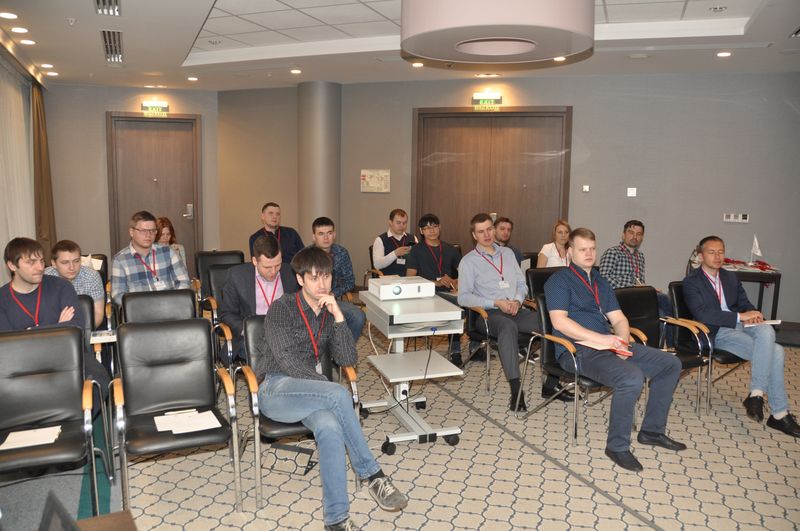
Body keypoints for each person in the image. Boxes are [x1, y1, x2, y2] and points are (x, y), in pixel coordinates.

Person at [254, 246, 408, 530]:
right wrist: (326, 388)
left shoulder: (327, 313)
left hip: (311, 395)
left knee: (330, 427)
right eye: (314, 278)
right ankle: (373, 475)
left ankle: (336, 520)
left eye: (325, 276)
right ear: (300, 279)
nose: (322, 284)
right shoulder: (281, 308)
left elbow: (348, 359)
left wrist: (338, 316)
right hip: (276, 389)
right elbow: (287, 361)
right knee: (338, 393)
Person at [544, 228, 685, 472]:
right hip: (577, 351)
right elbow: (560, 322)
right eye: (582, 249)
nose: (589, 254)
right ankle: (617, 447)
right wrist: (602, 340)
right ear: (570, 252)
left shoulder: (600, 281)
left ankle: (651, 431)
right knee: (631, 377)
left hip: (608, 344)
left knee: (670, 364)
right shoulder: (559, 280)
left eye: (592, 248)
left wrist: (621, 342)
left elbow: (619, 318)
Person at [683, 236, 799, 437]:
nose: (717, 256)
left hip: (741, 325)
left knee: (766, 330)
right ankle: (779, 414)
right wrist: (739, 316)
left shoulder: (730, 277)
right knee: (777, 351)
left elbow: (744, 303)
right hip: (715, 330)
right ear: (701, 256)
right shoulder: (691, 282)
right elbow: (702, 314)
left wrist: (753, 314)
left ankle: (756, 394)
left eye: (721, 252)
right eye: (712, 252)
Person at [458, 213, 567, 411]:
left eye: (489, 229)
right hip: (489, 315)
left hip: (516, 310)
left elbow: (521, 284)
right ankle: (516, 390)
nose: (486, 235)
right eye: (481, 232)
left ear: (494, 229)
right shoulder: (468, 261)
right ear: (474, 235)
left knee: (552, 322)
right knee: (507, 327)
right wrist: (495, 302)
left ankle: (551, 383)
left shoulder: (507, 254)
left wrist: (517, 300)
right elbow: (463, 297)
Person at [1, 237, 110, 398]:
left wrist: (29, 332)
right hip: (22, 366)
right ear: (12, 265)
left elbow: (76, 328)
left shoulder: (61, 286)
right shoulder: (2, 299)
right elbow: (8, 344)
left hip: (67, 357)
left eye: (41, 261)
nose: (40, 267)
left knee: (98, 380)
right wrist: (58, 327)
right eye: (31, 262)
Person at [219, 234, 299, 361]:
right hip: (253, 337)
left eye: (278, 265)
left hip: (285, 335)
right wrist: (248, 331)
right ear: (255, 261)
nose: (274, 271)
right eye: (267, 267)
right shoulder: (237, 276)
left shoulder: (291, 273)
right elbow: (227, 314)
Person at [599, 220, 673, 346]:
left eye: (639, 234)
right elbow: (603, 279)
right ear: (623, 235)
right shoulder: (613, 252)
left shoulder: (640, 256)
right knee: (662, 302)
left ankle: (666, 347)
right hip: (619, 299)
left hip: (638, 298)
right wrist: (632, 286)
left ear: (642, 237)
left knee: (661, 312)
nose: (635, 237)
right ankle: (669, 345)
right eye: (631, 232)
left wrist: (647, 288)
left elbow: (639, 281)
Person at [405, 213, 463, 366]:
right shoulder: (416, 251)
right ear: (421, 231)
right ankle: (456, 350)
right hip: (426, 294)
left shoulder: (450, 249)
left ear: (440, 228)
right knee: (455, 305)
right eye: (427, 228)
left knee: (466, 302)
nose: (431, 231)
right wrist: (436, 283)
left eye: (435, 227)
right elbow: (410, 279)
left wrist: (456, 281)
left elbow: (466, 274)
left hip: (449, 292)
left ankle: (461, 349)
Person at [111, 210, 191, 305]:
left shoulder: (168, 252)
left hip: (169, 307)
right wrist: (145, 305)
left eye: (152, 231)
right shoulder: (120, 260)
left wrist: (172, 301)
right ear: (131, 232)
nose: (148, 235)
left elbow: (184, 282)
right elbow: (117, 294)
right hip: (139, 310)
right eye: (143, 231)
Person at [309, 217, 366, 342]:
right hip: (310, 301)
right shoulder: (306, 255)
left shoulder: (341, 253)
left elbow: (350, 281)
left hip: (332, 300)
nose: (326, 238)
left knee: (358, 316)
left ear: (334, 235)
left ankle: (344, 349)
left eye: (329, 233)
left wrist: (333, 294)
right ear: (314, 236)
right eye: (321, 234)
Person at [45, 240, 105, 328]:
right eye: (65, 262)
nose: (72, 267)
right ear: (54, 263)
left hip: (85, 327)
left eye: (76, 261)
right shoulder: (45, 277)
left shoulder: (92, 276)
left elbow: (98, 314)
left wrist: (83, 333)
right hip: (53, 329)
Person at [371, 208, 417, 276]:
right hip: (389, 278)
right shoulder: (380, 240)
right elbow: (377, 265)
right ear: (390, 222)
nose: (402, 226)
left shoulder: (413, 238)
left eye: (404, 223)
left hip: (409, 277)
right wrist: (395, 253)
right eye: (398, 223)